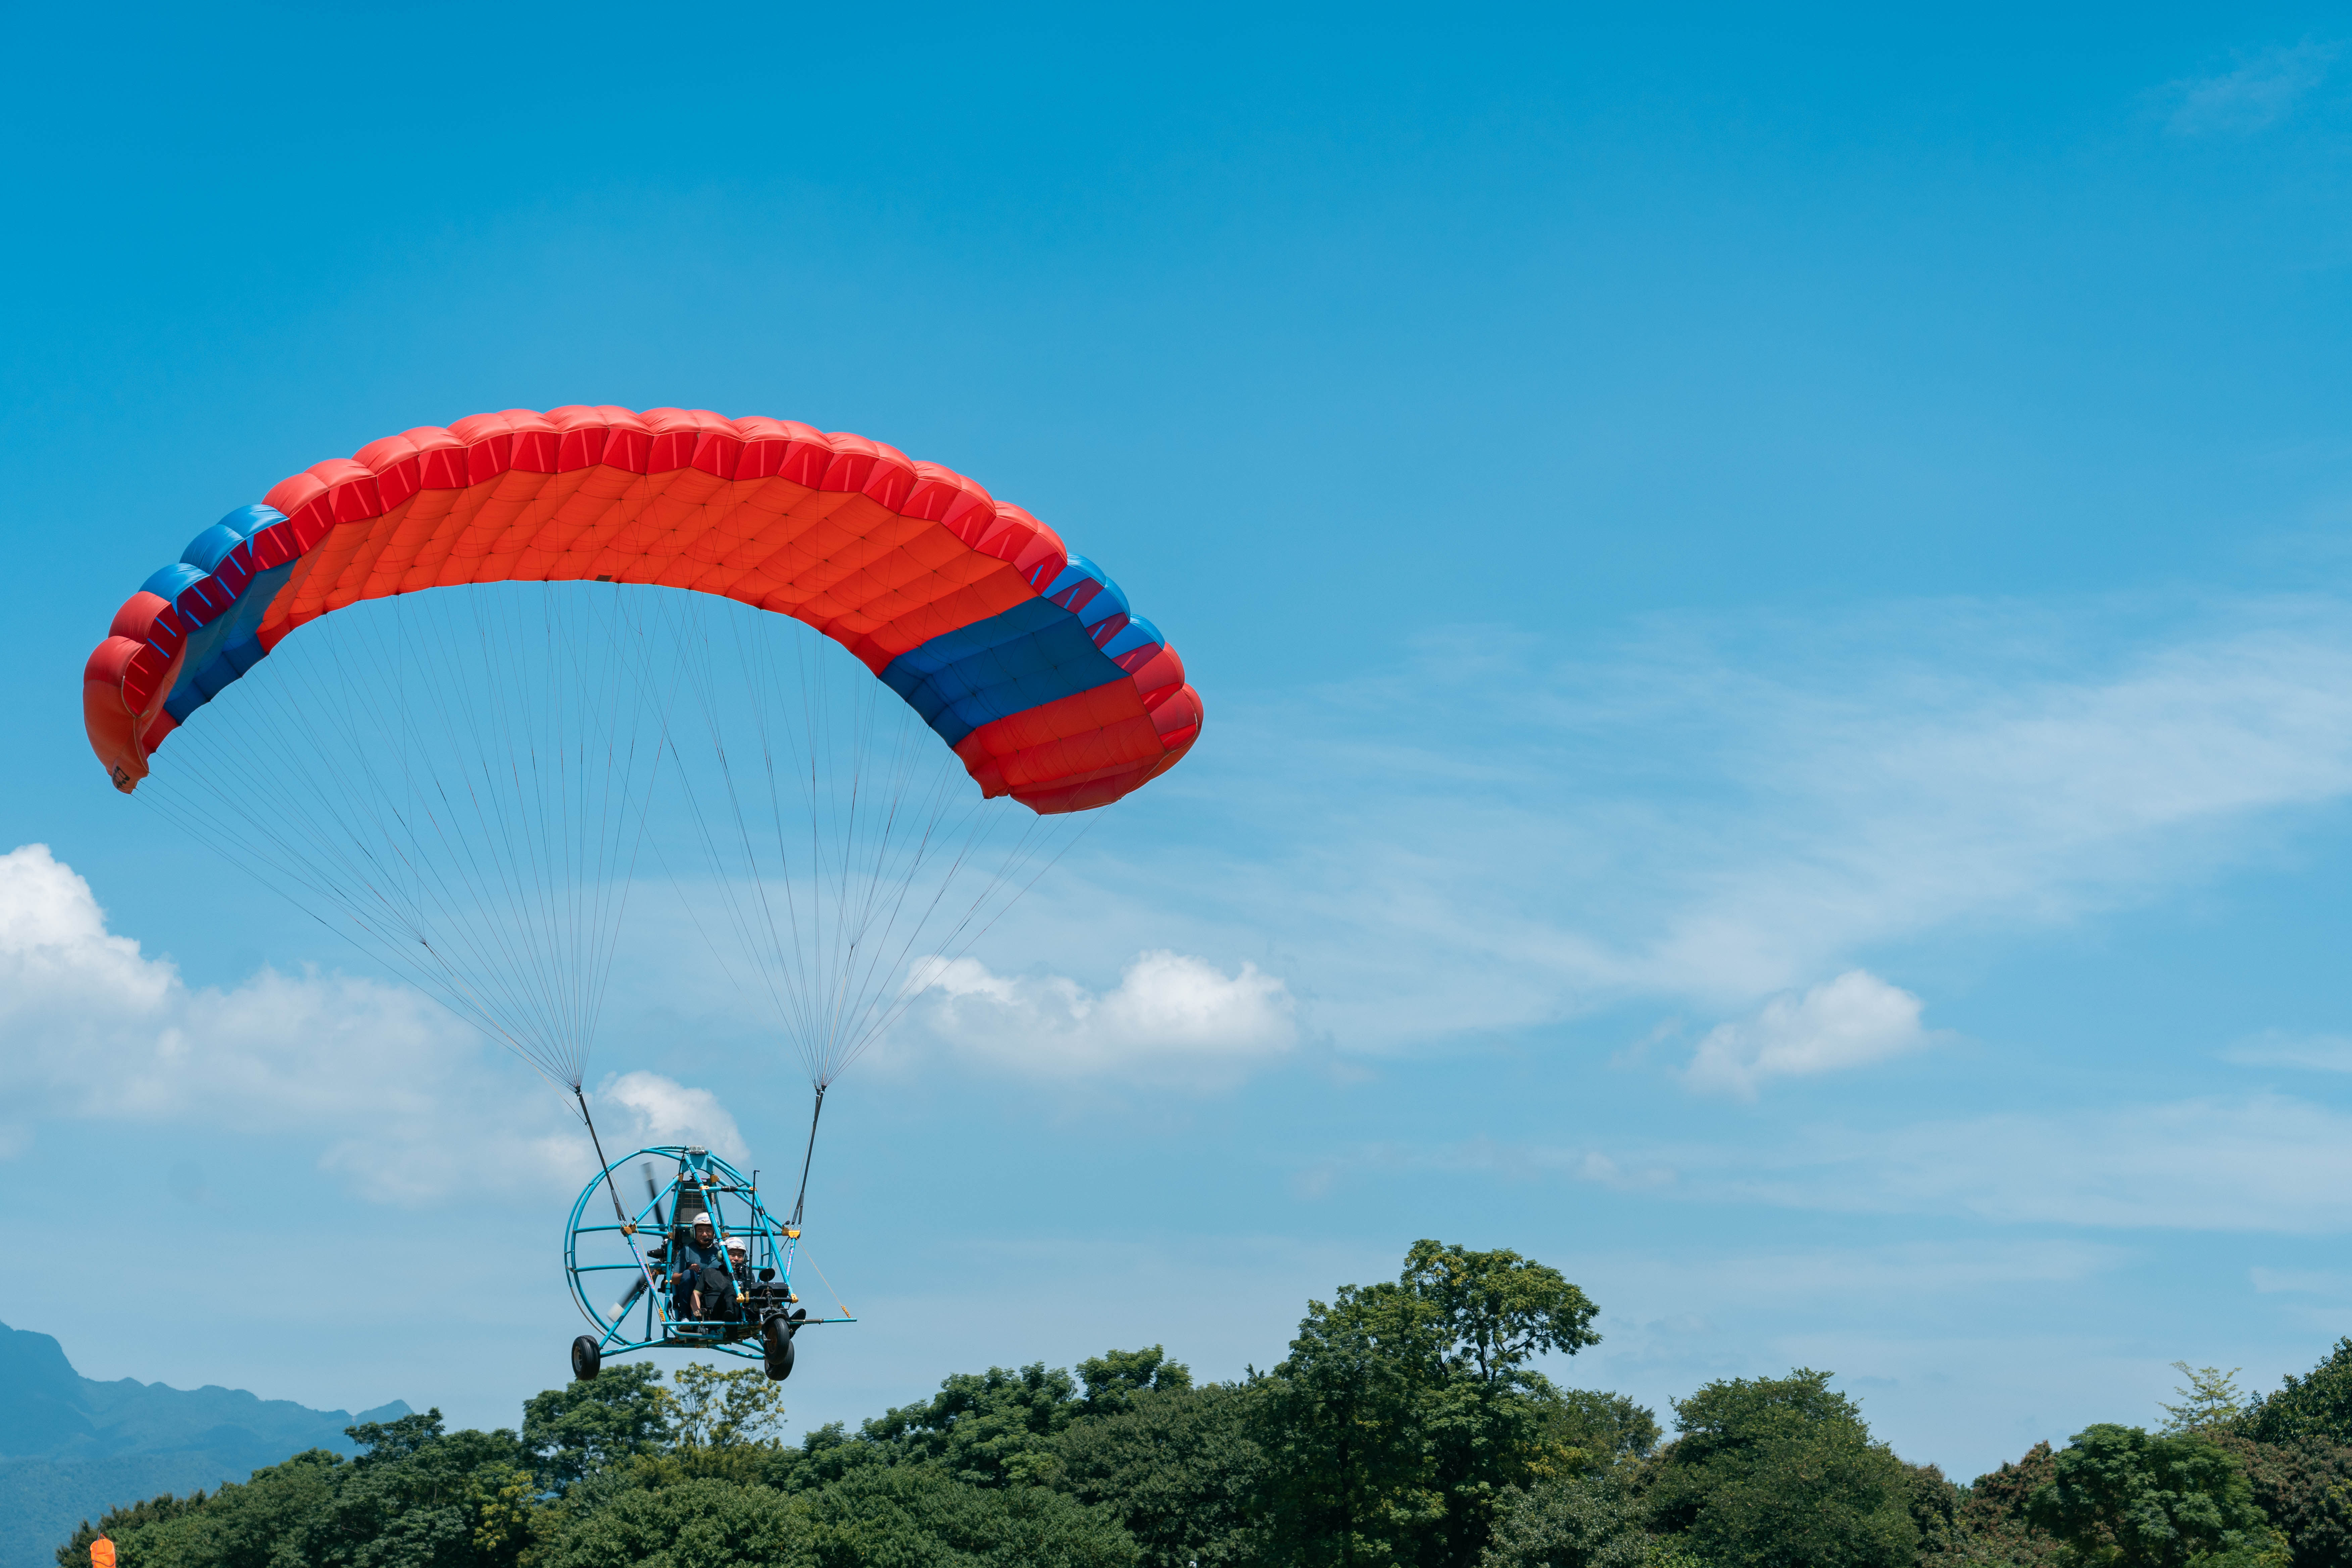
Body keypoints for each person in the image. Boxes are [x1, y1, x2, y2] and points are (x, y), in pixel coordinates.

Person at [671, 1216, 732, 1321]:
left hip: (716, 1291)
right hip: (694, 1291)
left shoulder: (722, 1251)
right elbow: (674, 1280)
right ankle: (685, 1317)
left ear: (714, 1233)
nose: (704, 1234)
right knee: (687, 1275)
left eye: (708, 1231)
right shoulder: (687, 1251)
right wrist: (689, 1270)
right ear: (693, 1233)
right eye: (700, 1231)